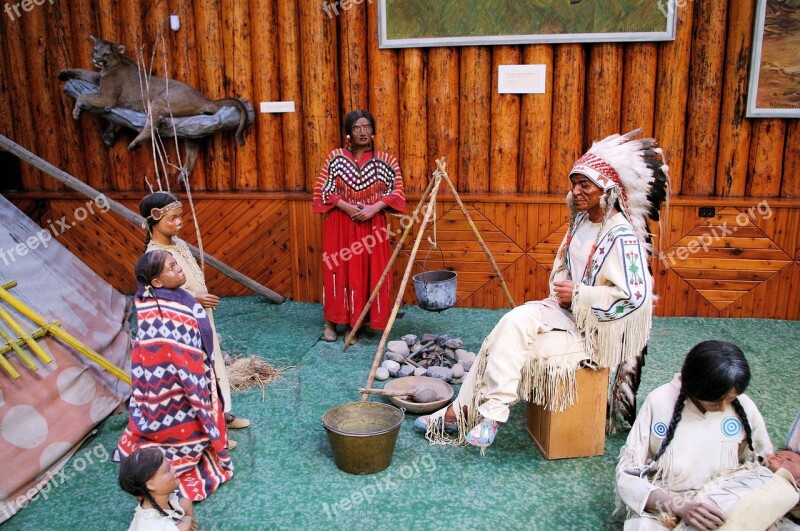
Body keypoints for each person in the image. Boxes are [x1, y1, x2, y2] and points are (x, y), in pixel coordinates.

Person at [416, 130, 669, 448]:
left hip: (596, 332)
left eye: (584, 184)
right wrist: (563, 293)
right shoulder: (581, 221)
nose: (575, 191)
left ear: (607, 189)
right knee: (512, 322)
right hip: (565, 311)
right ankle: (484, 416)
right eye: (574, 183)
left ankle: (467, 415)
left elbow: (636, 298)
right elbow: (563, 266)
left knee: (501, 342)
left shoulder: (623, 236)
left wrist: (578, 295)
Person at [616, 340, 799, 530]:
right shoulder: (659, 401)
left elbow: (765, 466)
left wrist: (765, 513)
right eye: (716, 401)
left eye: (730, 399)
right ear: (695, 387)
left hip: (732, 498)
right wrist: (681, 507)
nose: (722, 408)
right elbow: (627, 476)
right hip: (671, 504)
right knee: (640, 527)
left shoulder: (743, 405)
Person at [113, 250, 233, 501]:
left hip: (186, 379)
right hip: (168, 392)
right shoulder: (155, 312)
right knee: (178, 424)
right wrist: (194, 378)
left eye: (177, 264)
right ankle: (184, 443)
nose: (179, 269)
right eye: (171, 267)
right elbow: (166, 355)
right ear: (156, 283)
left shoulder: (174, 298)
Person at [140, 191, 250, 448]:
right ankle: (207, 433)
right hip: (183, 326)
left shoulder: (176, 244)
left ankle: (220, 415)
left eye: (180, 217)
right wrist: (194, 300)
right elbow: (156, 295)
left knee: (214, 368)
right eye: (172, 219)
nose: (179, 223)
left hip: (201, 320)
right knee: (197, 375)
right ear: (153, 220)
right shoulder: (153, 257)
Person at [313, 109, 406, 342]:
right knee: (337, 270)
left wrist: (374, 208)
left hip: (372, 226)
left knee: (370, 271)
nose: (362, 132)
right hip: (340, 225)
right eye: (356, 128)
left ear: (373, 131)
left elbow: (396, 191)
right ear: (348, 133)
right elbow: (323, 189)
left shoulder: (386, 161)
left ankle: (359, 323)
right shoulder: (335, 158)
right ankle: (332, 322)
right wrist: (344, 205)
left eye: (366, 127)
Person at [119, 447, 198, 531]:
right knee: (185, 525)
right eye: (167, 471)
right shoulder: (150, 524)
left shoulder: (159, 501)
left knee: (186, 503)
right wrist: (187, 522)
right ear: (150, 484)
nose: (174, 470)